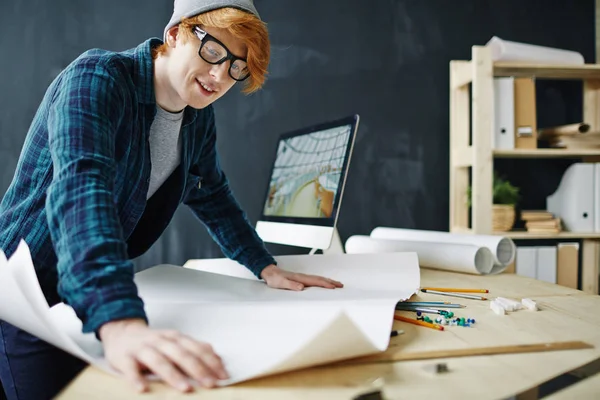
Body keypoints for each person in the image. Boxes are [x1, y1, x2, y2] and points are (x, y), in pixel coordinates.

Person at [0, 1, 343, 398]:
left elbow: (212, 194)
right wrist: (120, 321)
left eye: (237, 68)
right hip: (24, 292)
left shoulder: (197, 118)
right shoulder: (97, 77)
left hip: (90, 286)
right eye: (213, 51)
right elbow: (81, 189)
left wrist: (264, 266)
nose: (220, 75)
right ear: (175, 34)